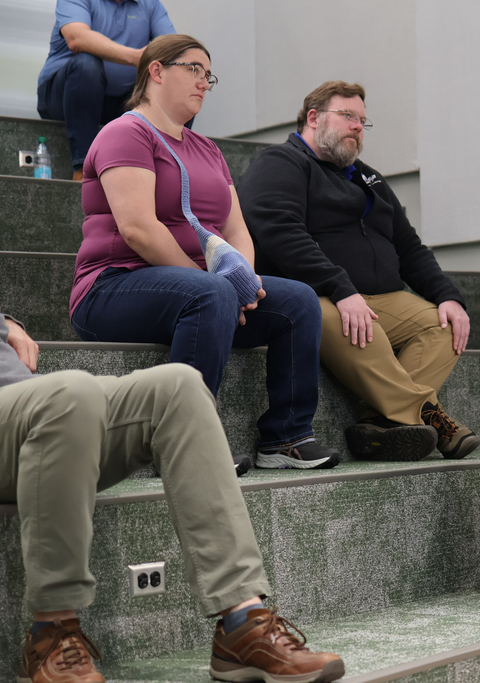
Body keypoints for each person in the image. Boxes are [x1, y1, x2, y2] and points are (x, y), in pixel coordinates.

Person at [0, 312, 345, 683]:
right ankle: (50, 634)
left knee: (179, 385)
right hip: (43, 407)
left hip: (27, 409)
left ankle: (242, 623)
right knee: (71, 393)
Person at [69, 34, 338, 472]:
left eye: (207, 74)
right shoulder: (126, 132)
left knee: (299, 302)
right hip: (113, 286)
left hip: (200, 291)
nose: (203, 82)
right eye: (193, 69)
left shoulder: (208, 149)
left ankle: (286, 437)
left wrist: (243, 285)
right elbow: (137, 229)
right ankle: (181, 443)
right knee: (211, 294)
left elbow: (235, 229)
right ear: (156, 71)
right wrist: (221, 288)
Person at [238, 80, 480, 463]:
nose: (356, 126)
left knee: (446, 325)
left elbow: (410, 248)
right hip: (315, 295)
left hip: (382, 296)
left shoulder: (370, 179)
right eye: (348, 115)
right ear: (314, 118)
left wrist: (448, 295)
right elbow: (278, 231)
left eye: (363, 121)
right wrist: (339, 287)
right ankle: (432, 418)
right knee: (345, 320)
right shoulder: (280, 163)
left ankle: (381, 423)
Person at [37, 0, 176, 180]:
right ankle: (84, 169)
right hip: (62, 96)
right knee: (87, 64)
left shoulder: (149, 4)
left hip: (117, 103)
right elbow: (77, 38)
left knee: (176, 82)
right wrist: (135, 57)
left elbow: (173, 49)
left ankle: (169, 175)